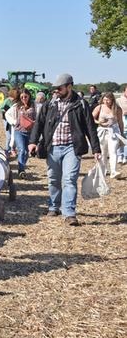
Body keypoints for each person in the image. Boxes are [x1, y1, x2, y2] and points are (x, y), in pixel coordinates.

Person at [28, 73, 101, 226]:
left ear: (69, 86)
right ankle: (54, 206)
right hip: (52, 147)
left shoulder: (81, 104)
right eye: (56, 88)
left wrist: (96, 149)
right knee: (53, 179)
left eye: (60, 88)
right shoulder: (51, 103)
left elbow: (90, 127)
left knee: (69, 180)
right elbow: (39, 123)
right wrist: (33, 141)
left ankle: (69, 213)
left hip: (72, 148)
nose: (57, 91)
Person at [92, 92, 124, 178]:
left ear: (112, 99)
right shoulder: (99, 107)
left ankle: (113, 171)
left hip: (113, 132)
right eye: (104, 99)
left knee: (113, 151)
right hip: (101, 131)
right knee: (103, 152)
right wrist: (99, 122)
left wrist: (122, 133)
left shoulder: (117, 109)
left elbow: (120, 122)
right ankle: (103, 170)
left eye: (108, 100)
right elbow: (92, 118)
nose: (106, 101)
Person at [12, 88, 37, 178]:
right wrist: (14, 122)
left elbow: (36, 117)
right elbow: (10, 115)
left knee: (26, 152)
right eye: (21, 97)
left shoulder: (33, 105)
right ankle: (21, 169)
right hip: (19, 131)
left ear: (29, 96)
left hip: (30, 132)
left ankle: (22, 166)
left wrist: (34, 123)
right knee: (22, 150)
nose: (23, 98)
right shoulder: (17, 106)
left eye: (25, 97)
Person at [0, 88, 19, 153]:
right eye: (10, 96)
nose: (11, 98)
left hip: (14, 120)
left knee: (15, 135)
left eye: (12, 97)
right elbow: (0, 108)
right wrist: (5, 111)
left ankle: (13, 149)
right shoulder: (7, 100)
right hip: (7, 119)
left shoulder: (17, 102)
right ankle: (7, 150)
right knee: (9, 136)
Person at [116, 85, 127, 165]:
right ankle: (120, 156)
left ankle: (125, 156)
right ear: (124, 91)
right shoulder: (118, 100)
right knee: (120, 138)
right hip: (121, 121)